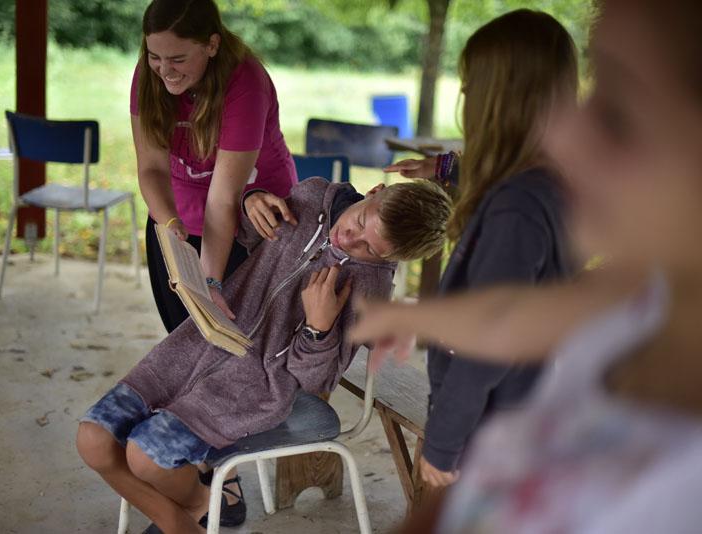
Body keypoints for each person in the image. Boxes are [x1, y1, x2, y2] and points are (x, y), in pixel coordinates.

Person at [354, 0, 702, 531]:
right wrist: (416, 317)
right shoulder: (642, 296)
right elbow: (512, 315)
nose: (565, 137)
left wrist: (443, 442)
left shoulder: (520, 206)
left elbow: (489, 342)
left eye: (617, 114)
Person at [76, 177, 451, 533]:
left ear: (391, 258)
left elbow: (316, 382)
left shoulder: (368, 288)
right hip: (193, 347)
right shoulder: (311, 196)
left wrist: (318, 329)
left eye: (370, 249)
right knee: (93, 440)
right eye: (361, 221)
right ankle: (194, 513)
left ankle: (191, 510)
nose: (351, 239)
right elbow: (247, 237)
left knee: (145, 458)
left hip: (252, 389)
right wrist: (251, 203)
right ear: (375, 191)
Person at [381, 9, 579, 488]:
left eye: (471, 87)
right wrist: (443, 169)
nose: (465, 98)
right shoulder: (545, 180)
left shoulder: (517, 208)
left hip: (497, 432)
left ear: (497, 100)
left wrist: (444, 442)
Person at [132, 0, 297, 334]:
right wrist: (169, 222)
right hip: (180, 205)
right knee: (182, 335)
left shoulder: (246, 81)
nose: (165, 70)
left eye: (178, 59)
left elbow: (224, 197)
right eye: (154, 56)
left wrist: (209, 282)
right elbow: (151, 168)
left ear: (211, 45)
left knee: (240, 335)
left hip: (252, 215)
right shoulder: (149, 76)